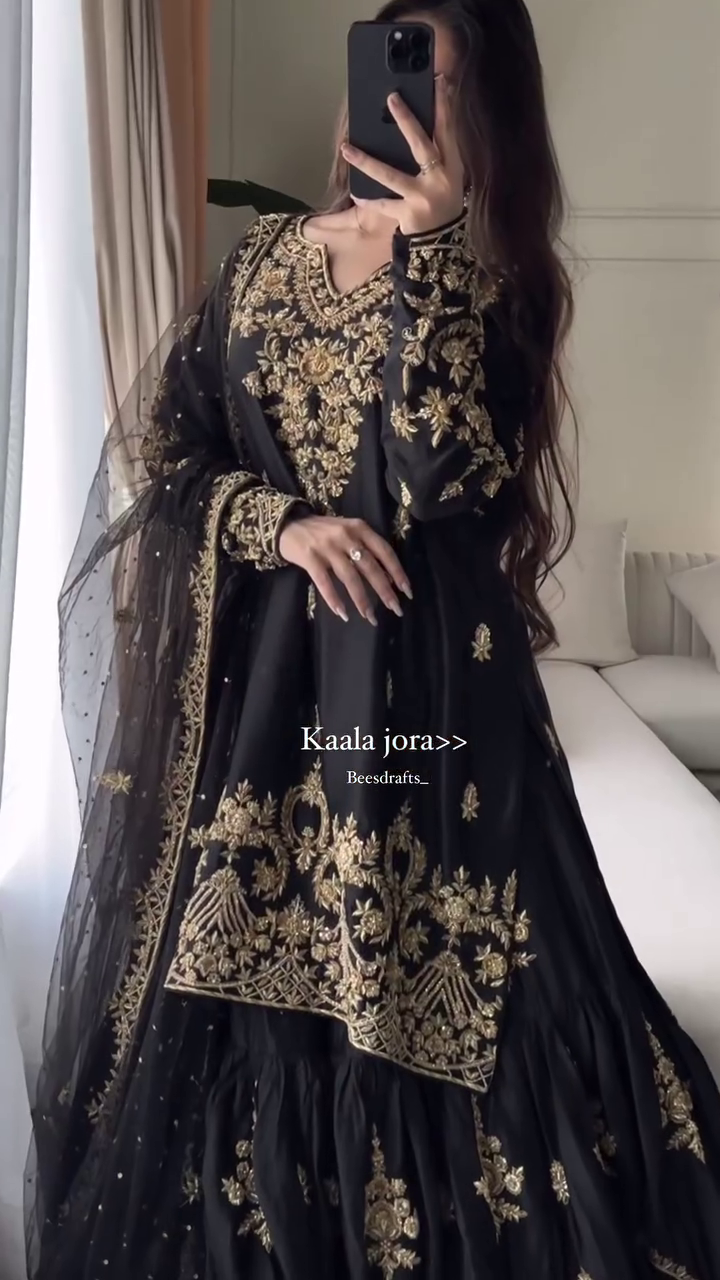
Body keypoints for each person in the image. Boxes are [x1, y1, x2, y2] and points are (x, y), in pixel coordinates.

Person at [26, 1, 720, 1278]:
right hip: (262, 686)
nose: (395, 104)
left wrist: (433, 251)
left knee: (446, 969)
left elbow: (438, 475)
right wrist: (280, 523)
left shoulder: (501, 282)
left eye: (434, 84)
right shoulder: (260, 262)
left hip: (425, 684)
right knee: (234, 964)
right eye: (387, 69)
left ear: (484, 114)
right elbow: (166, 452)